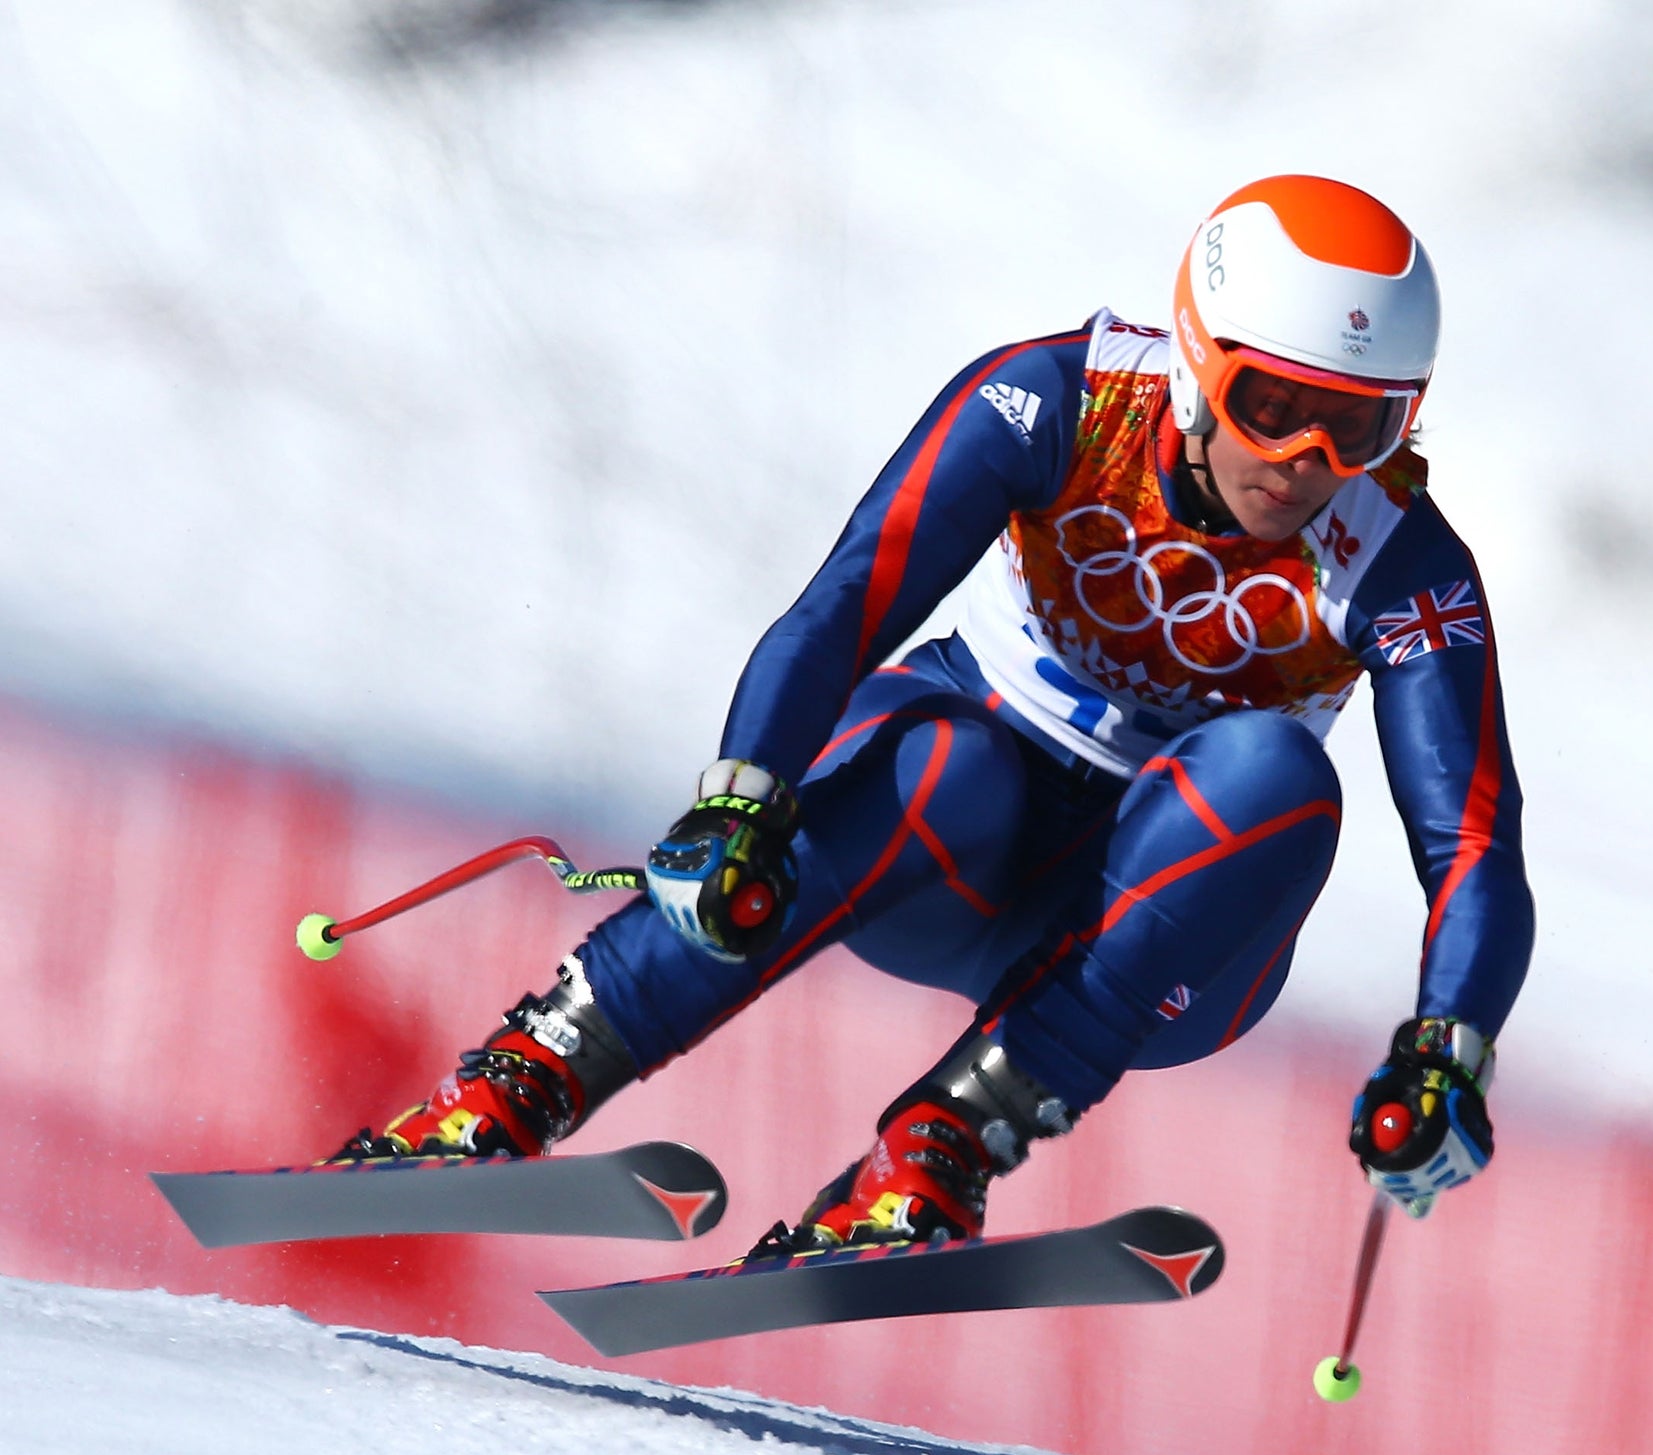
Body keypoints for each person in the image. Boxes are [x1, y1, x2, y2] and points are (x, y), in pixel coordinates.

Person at [338, 174, 1535, 1243]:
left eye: (1361, 425)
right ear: (1189, 356)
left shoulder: (1399, 559)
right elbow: (851, 600)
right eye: (1269, 404)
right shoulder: (1054, 400)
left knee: (1273, 773)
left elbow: (1472, 841)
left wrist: (1448, 1054)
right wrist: (739, 796)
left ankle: (943, 1148)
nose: (1303, 460)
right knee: (944, 766)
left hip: (1153, 943)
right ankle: (523, 1076)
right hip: (949, 849)